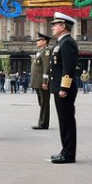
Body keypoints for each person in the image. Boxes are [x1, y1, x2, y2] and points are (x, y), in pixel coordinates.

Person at [49, 12, 79, 164]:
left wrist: (64, 88)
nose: (52, 27)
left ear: (63, 26)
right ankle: (65, 150)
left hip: (63, 90)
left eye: (55, 25)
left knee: (67, 121)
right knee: (63, 121)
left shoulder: (67, 43)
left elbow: (68, 68)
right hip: (58, 88)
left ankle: (69, 154)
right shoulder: (61, 42)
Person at [30, 32, 51, 130]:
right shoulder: (40, 51)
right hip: (37, 82)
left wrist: (45, 82)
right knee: (41, 103)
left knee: (44, 103)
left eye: (39, 40)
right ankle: (41, 122)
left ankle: (43, 123)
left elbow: (46, 68)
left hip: (41, 82)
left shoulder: (46, 52)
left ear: (44, 41)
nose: (37, 42)